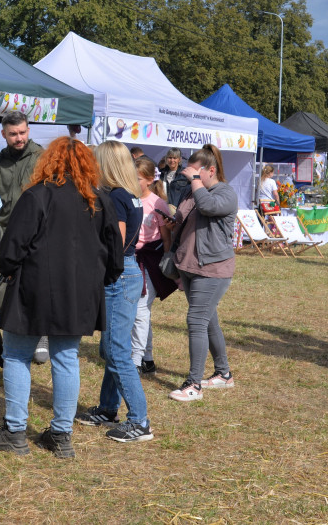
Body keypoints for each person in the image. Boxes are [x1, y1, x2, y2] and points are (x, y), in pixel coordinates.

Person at [0, 137, 122, 459]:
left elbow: (11, 248)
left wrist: (6, 268)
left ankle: (16, 432)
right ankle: (61, 435)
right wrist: (98, 281)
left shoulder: (38, 195)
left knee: (17, 355)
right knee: (65, 358)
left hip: (33, 289)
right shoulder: (99, 200)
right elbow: (116, 256)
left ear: (48, 162)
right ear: (88, 165)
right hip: (76, 294)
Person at [75, 141, 155, 443]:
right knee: (112, 348)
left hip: (119, 276)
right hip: (129, 273)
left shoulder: (117, 198)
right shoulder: (129, 195)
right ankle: (108, 409)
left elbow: (116, 244)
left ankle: (139, 421)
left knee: (117, 351)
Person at [164, 144, 238, 402]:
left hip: (213, 269)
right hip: (189, 266)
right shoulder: (191, 191)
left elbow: (206, 206)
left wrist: (194, 182)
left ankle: (194, 384)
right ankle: (224, 374)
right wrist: (173, 222)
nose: (191, 178)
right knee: (208, 321)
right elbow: (185, 215)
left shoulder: (225, 192)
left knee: (196, 321)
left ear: (211, 171)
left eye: (196, 173)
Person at [0, 112, 47, 361]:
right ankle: (11, 337)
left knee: (37, 285)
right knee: (7, 287)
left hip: (38, 234)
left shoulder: (42, 158)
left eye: (22, 132)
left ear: (28, 130)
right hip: (7, 232)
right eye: (13, 134)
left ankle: (42, 334)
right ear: (3, 134)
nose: (19, 138)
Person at [130, 156, 179, 375]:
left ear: (149, 180)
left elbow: (166, 238)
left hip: (149, 261)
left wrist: (166, 263)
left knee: (140, 311)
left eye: (137, 178)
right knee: (141, 311)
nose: (132, 181)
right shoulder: (128, 198)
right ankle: (147, 358)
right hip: (130, 259)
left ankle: (136, 360)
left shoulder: (158, 203)